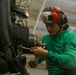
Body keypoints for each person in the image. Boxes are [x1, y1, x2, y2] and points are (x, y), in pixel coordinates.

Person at [29, 6, 76, 75]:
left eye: (51, 25)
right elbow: (44, 55)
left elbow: (71, 62)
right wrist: (36, 60)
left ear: (61, 23)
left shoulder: (70, 37)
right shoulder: (46, 38)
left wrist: (46, 53)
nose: (48, 29)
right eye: (46, 25)